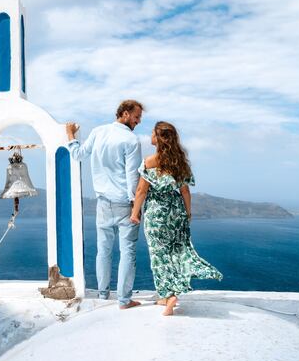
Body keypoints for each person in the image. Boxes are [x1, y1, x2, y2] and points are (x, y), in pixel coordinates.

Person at [130, 121, 222, 316]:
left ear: (159, 139)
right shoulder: (180, 163)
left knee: (159, 257)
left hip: (156, 215)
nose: (150, 137)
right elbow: (185, 191)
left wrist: (135, 213)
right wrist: (188, 213)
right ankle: (166, 296)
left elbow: (141, 191)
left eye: (153, 134)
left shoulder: (149, 162)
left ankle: (169, 296)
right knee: (176, 254)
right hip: (177, 214)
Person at [66, 100, 143, 309]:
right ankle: (124, 300)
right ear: (125, 114)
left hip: (102, 203)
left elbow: (78, 155)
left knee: (104, 250)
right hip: (124, 203)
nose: (138, 122)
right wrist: (136, 206)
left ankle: (102, 294)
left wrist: (71, 135)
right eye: (136, 117)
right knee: (127, 252)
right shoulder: (132, 140)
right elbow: (132, 178)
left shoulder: (98, 131)